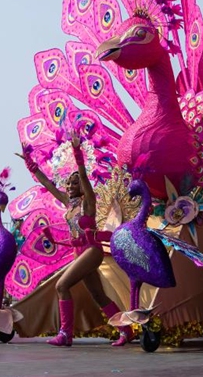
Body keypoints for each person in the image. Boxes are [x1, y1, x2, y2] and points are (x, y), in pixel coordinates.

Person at [20, 134, 133, 347]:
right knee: (99, 295)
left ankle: (65, 334)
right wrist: (30, 163)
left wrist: (77, 153)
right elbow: (47, 183)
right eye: (68, 183)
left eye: (74, 183)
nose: (70, 186)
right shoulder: (68, 203)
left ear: (81, 186)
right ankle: (126, 330)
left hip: (91, 250)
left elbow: (83, 175)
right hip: (79, 252)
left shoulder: (87, 202)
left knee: (62, 285)